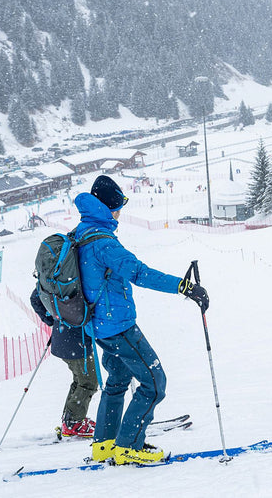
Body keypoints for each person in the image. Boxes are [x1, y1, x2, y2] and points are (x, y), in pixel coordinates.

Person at [76, 175, 209, 465]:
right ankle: (129, 446)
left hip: (98, 325)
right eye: (118, 205)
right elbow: (139, 273)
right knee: (154, 381)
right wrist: (183, 286)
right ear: (108, 207)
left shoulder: (83, 230)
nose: (120, 211)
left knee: (119, 379)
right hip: (118, 325)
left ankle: (105, 444)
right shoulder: (103, 243)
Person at [29, 287, 97, 438]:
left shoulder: (55, 276)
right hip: (76, 341)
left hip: (63, 336)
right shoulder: (75, 274)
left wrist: (52, 319)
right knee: (89, 382)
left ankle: (71, 420)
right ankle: (73, 422)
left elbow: (35, 298)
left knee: (80, 380)